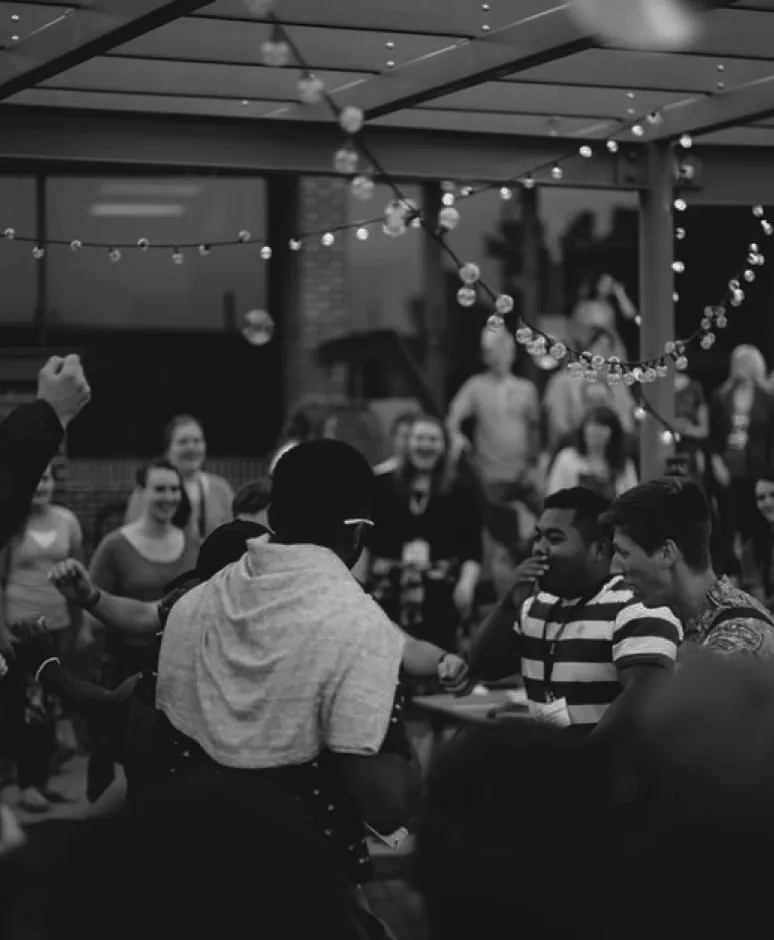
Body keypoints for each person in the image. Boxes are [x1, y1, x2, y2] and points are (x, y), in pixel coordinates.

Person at [468, 487, 682, 734]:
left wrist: (581, 762)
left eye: (555, 538)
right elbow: (483, 668)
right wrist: (507, 605)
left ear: (599, 550)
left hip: (606, 770)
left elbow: (644, 694)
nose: (539, 548)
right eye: (538, 537)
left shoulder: (637, 606)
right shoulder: (534, 605)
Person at [85, 458, 198, 801]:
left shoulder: (195, 543)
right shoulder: (115, 546)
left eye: (174, 489)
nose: (168, 496)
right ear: (141, 493)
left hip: (181, 665)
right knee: (135, 757)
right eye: (159, 489)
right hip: (127, 663)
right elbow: (92, 614)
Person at [604, 476, 774, 657]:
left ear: (667, 553)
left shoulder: (731, 647)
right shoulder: (704, 627)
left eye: (624, 553)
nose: (615, 569)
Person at [0, 464, 83, 812]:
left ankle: (43, 780)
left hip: (59, 627)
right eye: (33, 479)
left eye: (46, 478)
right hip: (21, 631)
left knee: (49, 706)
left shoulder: (68, 521)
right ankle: (27, 785)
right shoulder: (9, 524)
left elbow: (80, 574)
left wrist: (85, 623)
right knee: (29, 708)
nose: (40, 485)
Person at [367, 415, 482, 654]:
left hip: (440, 596)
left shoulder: (461, 491)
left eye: (433, 439)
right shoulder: (380, 486)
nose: (426, 445)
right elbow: (364, 542)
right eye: (420, 438)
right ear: (408, 443)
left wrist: (467, 584)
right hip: (387, 593)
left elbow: (473, 547)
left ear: (444, 446)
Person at [447, 327, 540, 507]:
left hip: (524, 475)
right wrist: (458, 440)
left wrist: (533, 465)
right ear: (484, 356)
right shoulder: (475, 385)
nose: (498, 356)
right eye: (491, 351)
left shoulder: (527, 388)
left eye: (504, 349)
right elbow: (452, 418)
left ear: (513, 353)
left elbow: (534, 429)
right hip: (489, 475)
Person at [709, 345, 774, 569]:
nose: (741, 366)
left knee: (758, 526)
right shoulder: (721, 395)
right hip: (728, 468)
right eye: (738, 362)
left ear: (756, 366)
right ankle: (732, 574)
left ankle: (761, 576)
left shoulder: (767, 398)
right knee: (729, 523)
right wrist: (716, 462)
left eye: (746, 362)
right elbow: (713, 435)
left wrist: (769, 472)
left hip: (758, 470)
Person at [125, 415, 234, 540]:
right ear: (168, 449)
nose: (191, 447)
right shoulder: (147, 489)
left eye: (197, 441)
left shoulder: (222, 489)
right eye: (183, 442)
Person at [543, 328, 634, 449]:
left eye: (609, 347)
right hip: (570, 450)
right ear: (586, 350)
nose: (605, 353)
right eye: (600, 345)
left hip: (611, 452)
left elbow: (626, 424)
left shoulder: (618, 384)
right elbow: (559, 424)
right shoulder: (561, 381)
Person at [546, 405, 637, 499]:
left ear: (613, 432)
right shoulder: (566, 459)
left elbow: (633, 501)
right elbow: (554, 496)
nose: (596, 430)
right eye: (591, 425)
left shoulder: (625, 464)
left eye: (602, 426)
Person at [374, 412, 417, 476]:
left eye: (417, 438)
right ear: (395, 439)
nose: (412, 443)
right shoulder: (379, 475)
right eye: (406, 437)